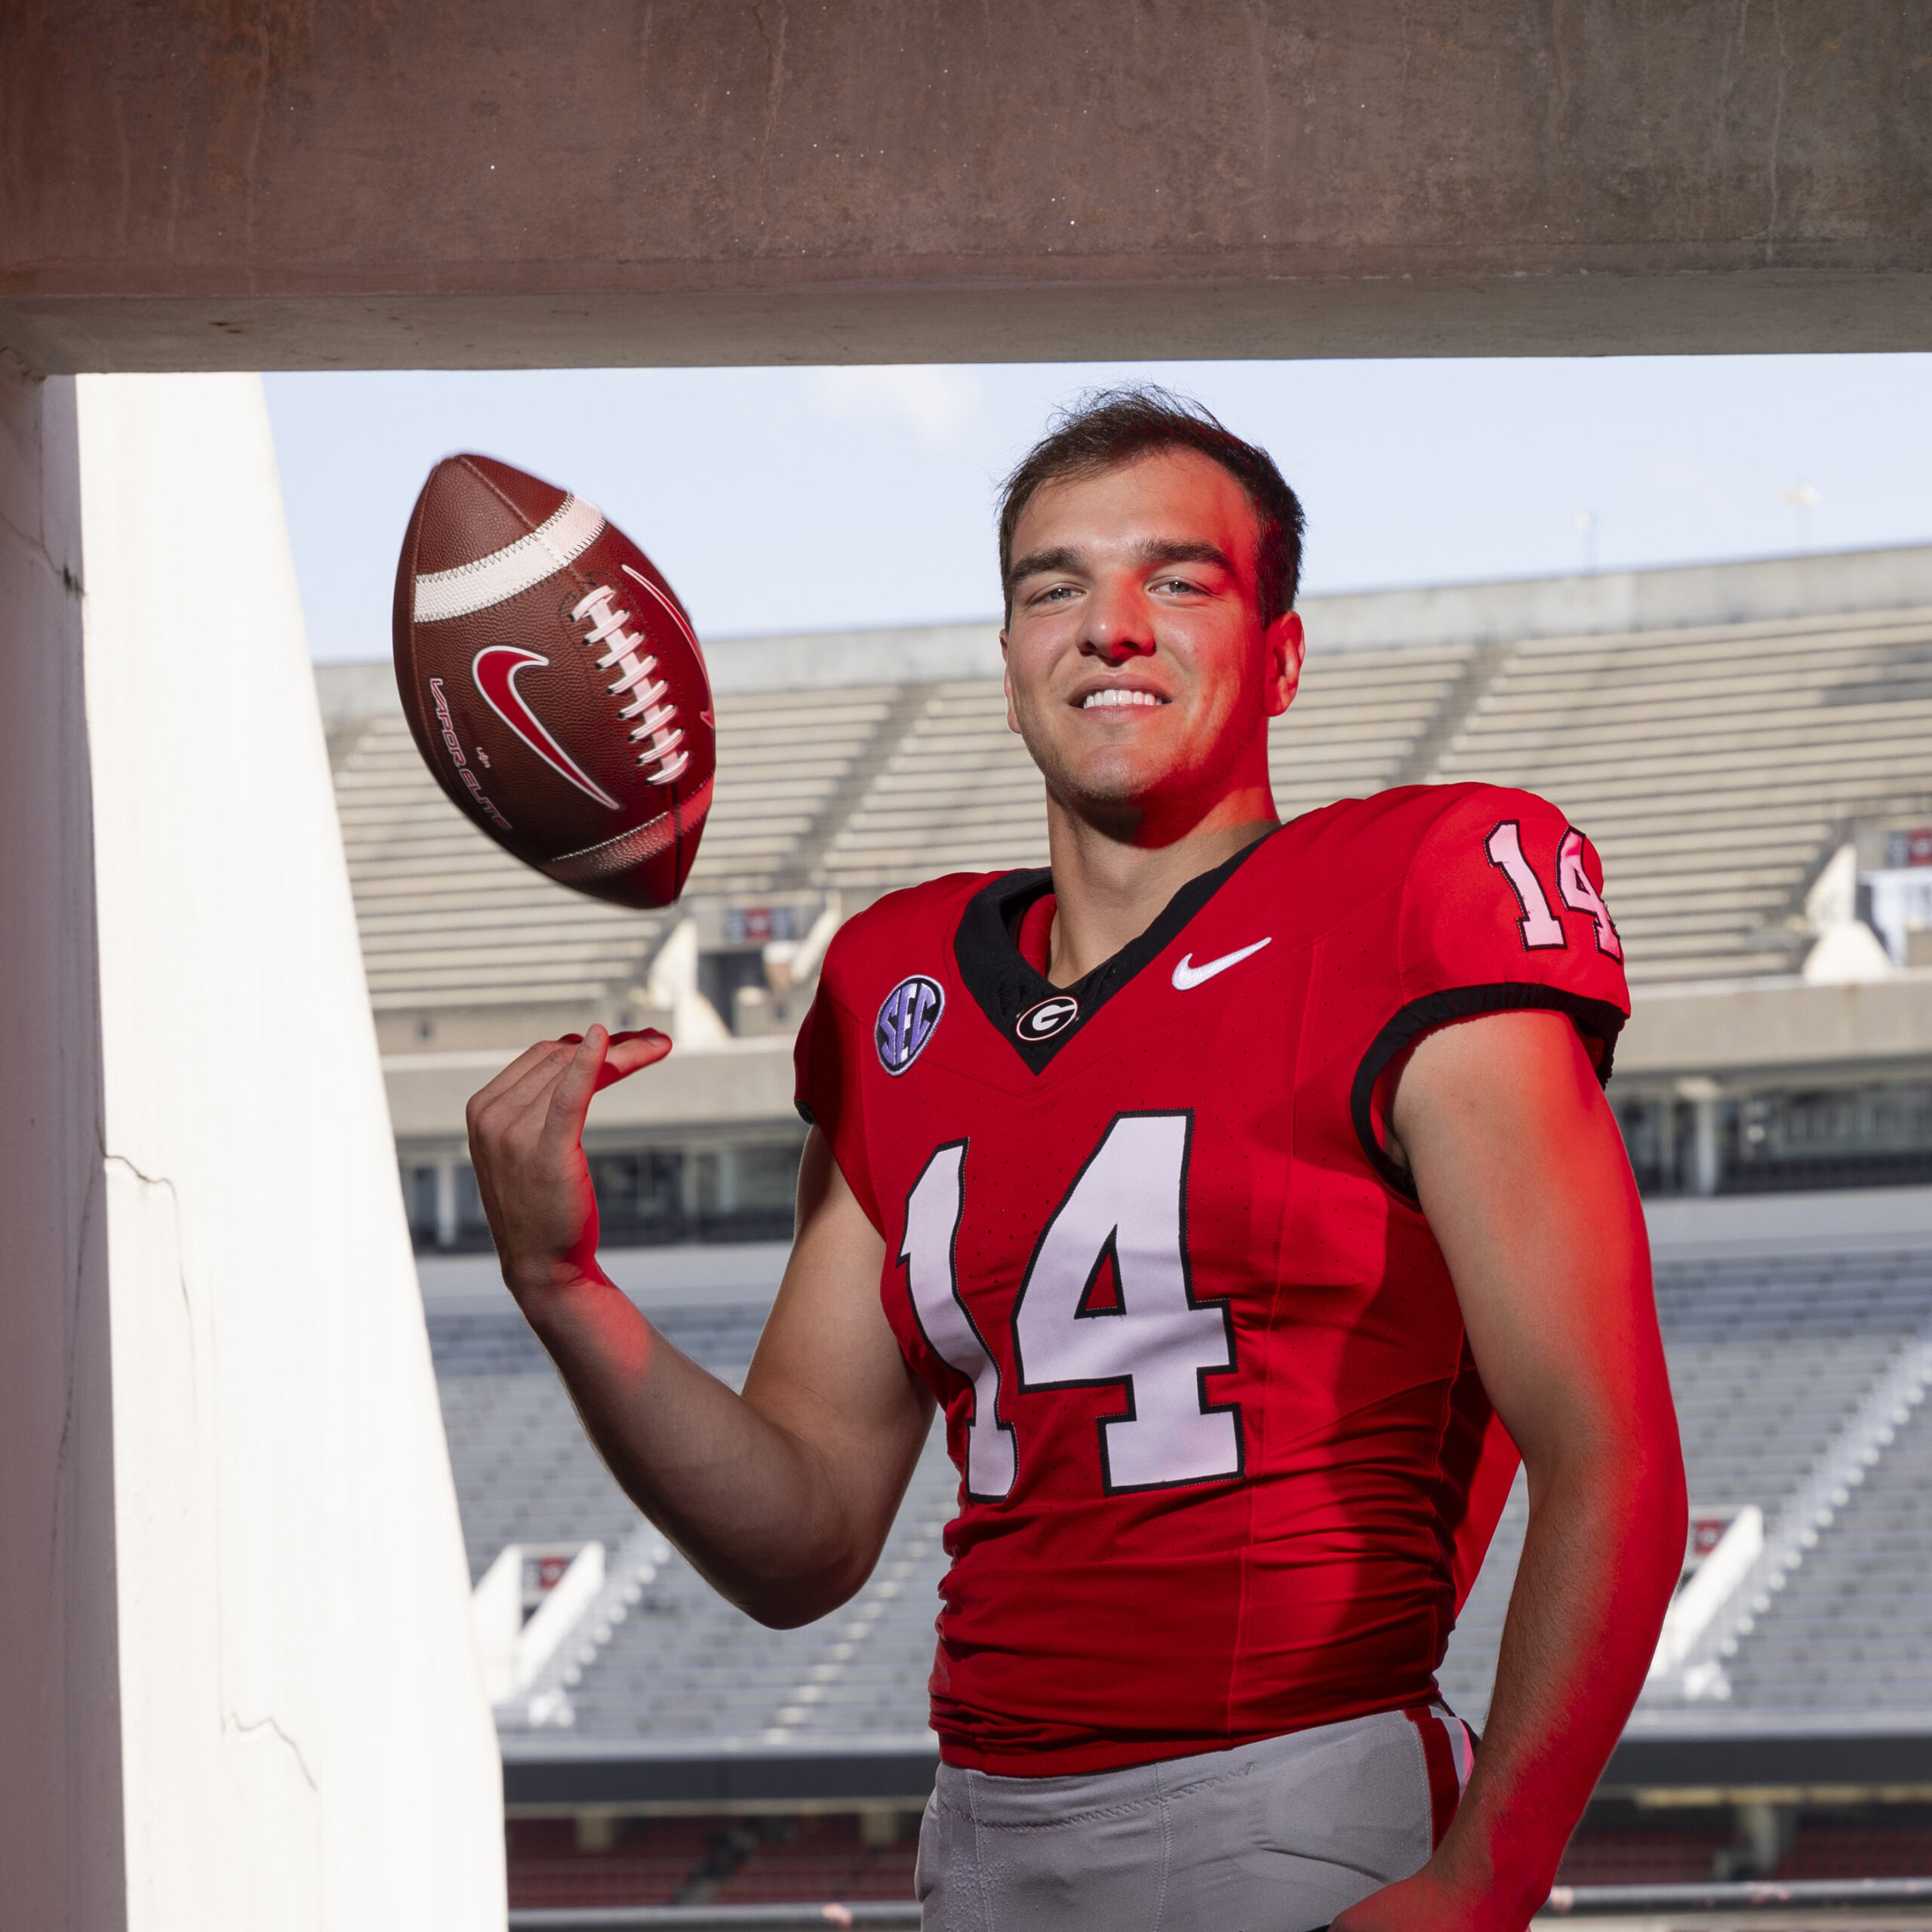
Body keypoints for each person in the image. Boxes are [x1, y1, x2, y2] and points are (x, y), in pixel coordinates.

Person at [466, 389, 1687, 1931]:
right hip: (976, 1825)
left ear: (1282, 657)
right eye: (1054, 583)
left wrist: (1488, 1872)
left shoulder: (1407, 903)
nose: (1108, 624)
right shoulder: (898, 986)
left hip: (1293, 1797)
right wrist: (565, 1284)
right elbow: (803, 1532)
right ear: (1006, 666)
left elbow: (1609, 1446)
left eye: (1175, 579)